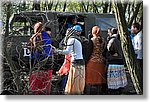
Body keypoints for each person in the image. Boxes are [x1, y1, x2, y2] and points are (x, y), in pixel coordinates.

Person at [54, 28, 85, 95]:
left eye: (67, 33)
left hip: (75, 62)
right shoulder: (77, 40)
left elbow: (67, 52)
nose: (66, 34)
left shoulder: (71, 40)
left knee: (74, 82)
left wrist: (56, 51)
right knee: (79, 82)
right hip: (81, 62)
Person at [29, 22, 53, 95]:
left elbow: (33, 52)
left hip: (38, 62)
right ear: (43, 28)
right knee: (46, 84)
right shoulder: (47, 36)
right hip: (48, 61)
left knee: (36, 85)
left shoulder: (34, 37)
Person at [85, 26, 107, 95]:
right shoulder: (103, 40)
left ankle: (87, 94)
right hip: (101, 62)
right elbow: (103, 51)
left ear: (93, 31)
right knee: (99, 81)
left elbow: (89, 52)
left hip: (92, 62)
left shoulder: (92, 40)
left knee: (89, 80)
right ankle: (98, 94)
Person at [106, 28, 128, 95]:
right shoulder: (121, 39)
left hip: (114, 62)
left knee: (114, 79)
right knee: (119, 78)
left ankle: (114, 92)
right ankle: (120, 90)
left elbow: (109, 49)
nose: (108, 33)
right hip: (120, 62)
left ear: (111, 33)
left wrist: (112, 53)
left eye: (108, 32)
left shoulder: (112, 40)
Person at [131, 23, 143, 92]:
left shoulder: (139, 36)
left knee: (139, 72)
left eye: (132, 28)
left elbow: (139, 48)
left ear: (136, 28)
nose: (131, 30)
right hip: (139, 56)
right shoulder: (138, 36)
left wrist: (134, 53)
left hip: (139, 57)